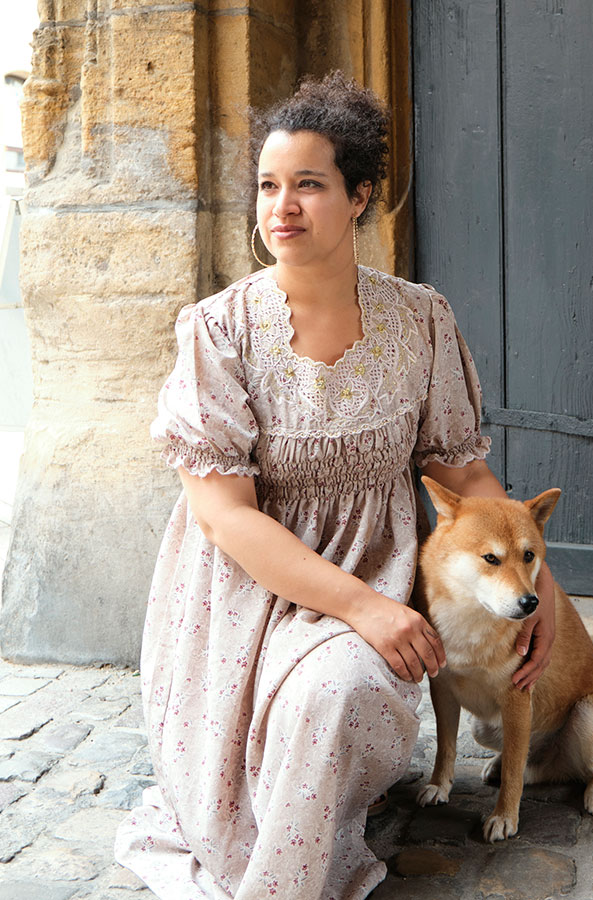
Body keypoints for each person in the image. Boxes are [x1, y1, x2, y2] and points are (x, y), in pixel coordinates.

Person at [115, 71, 556, 900]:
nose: (282, 205)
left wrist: (540, 583)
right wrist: (363, 607)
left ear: (359, 198)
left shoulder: (421, 319)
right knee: (240, 798)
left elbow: (464, 474)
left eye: (309, 184)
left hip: (375, 580)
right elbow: (224, 517)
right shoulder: (218, 330)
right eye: (269, 185)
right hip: (240, 599)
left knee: (338, 691)